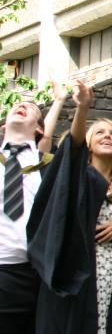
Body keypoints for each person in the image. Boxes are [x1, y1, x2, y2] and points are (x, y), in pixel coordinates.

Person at [28, 80, 112, 333]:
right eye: (99, 132)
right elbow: (74, 147)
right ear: (89, 143)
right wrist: (83, 108)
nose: (107, 136)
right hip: (79, 268)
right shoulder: (80, 177)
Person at [0, 98, 52, 331]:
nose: (21, 106)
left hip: (30, 275)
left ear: (40, 128)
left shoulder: (48, 167)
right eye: (16, 105)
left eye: (31, 108)